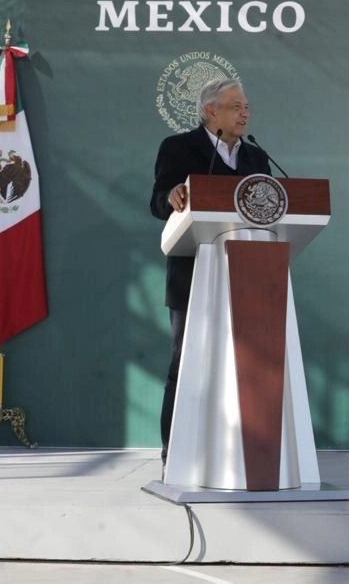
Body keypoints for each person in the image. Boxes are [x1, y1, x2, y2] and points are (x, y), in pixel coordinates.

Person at [149, 78, 272, 466]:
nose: (245, 113)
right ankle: (175, 451)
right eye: (236, 106)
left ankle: (240, 450)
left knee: (246, 366)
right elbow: (156, 201)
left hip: (248, 274)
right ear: (210, 111)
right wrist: (171, 196)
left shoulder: (255, 156)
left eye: (246, 106)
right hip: (193, 271)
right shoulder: (178, 148)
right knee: (185, 363)